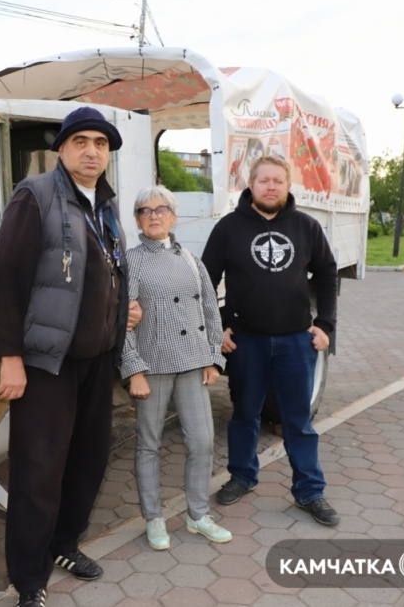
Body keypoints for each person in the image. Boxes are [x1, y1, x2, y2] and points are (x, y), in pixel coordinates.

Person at [0, 106, 139, 607]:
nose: (92, 151)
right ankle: (29, 581)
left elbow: (106, 270)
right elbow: (6, 279)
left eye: (101, 143)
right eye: (81, 142)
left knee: (88, 461)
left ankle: (64, 545)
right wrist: (9, 356)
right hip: (46, 361)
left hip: (96, 359)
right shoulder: (36, 195)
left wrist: (121, 313)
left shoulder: (106, 203)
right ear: (62, 149)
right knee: (38, 471)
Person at [201, 154, 340, 526]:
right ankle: (242, 476)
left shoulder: (307, 227)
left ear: (288, 185)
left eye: (278, 180)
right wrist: (217, 330)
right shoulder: (229, 228)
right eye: (264, 180)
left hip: (297, 341)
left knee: (298, 421)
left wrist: (325, 323)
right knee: (245, 414)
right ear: (251, 185)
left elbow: (327, 273)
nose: (271, 186)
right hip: (246, 341)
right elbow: (205, 281)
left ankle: (310, 491)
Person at [121, 186, 232, 551]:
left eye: (162, 208)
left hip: (192, 362)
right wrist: (133, 369)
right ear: (137, 219)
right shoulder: (132, 260)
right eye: (145, 210)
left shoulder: (189, 257)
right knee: (149, 444)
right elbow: (122, 319)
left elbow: (209, 310)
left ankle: (197, 515)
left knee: (201, 441)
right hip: (151, 365)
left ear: (174, 215)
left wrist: (215, 357)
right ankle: (154, 518)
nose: (154, 215)